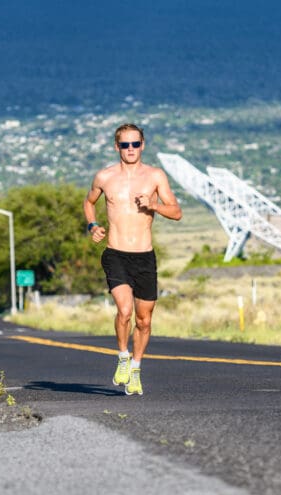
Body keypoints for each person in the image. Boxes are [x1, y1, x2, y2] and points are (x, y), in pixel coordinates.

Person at [83, 123, 182, 395]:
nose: (130, 149)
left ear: (142, 145)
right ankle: (123, 357)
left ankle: (136, 368)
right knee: (124, 310)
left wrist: (154, 205)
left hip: (145, 257)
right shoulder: (104, 177)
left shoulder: (155, 176)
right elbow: (88, 202)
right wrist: (93, 226)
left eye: (135, 144)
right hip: (116, 253)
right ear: (117, 147)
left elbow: (176, 212)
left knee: (144, 321)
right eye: (125, 145)